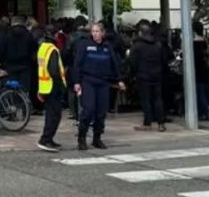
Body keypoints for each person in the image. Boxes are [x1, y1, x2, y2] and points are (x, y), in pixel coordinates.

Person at [73, 22, 125, 150]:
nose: (95, 34)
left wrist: (119, 80)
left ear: (102, 33)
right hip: (88, 81)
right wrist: (76, 82)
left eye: (97, 31)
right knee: (88, 110)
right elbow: (78, 64)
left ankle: (97, 138)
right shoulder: (84, 45)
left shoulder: (107, 46)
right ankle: (82, 137)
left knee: (101, 112)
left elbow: (115, 63)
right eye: (93, 31)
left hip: (103, 82)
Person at [128, 23, 167, 132]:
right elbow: (164, 60)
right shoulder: (158, 44)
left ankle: (147, 122)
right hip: (157, 75)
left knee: (146, 100)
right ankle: (161, 123)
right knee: (158, 99)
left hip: (143, 75)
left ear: (140, 33)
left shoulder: (137, 45)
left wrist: (133, 74)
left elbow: (132, 62)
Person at [36, 24, 66, 152]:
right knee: (55, 115)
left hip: (44, 85)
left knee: (50, 114)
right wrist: (60, 84)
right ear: (55, 35)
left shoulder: (42, 48)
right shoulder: (53, 49)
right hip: (53, 86)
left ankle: (49, 139)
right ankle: (45, 139)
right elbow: (53, 70)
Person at [192, 22, 209, 122]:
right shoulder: (205, 41)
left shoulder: (194, 43)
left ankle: (204, 113)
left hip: (197, 70)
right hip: (205, 70)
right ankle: (204, 112)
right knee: (203, 92)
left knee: (199, 93)